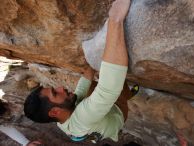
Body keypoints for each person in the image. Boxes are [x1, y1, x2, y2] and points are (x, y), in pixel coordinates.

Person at [24, 0, 137, 143]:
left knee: (90, 85)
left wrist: (92, 60)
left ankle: (125, 93)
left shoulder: (61, 117)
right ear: (54, 112)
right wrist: (115, 19)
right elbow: (108, 89)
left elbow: (82, 86)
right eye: (55, 93)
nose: (60, 88)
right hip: (118, 113)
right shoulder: (82, 118)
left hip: (98, 118)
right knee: (112, 80)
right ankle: (126, 95)